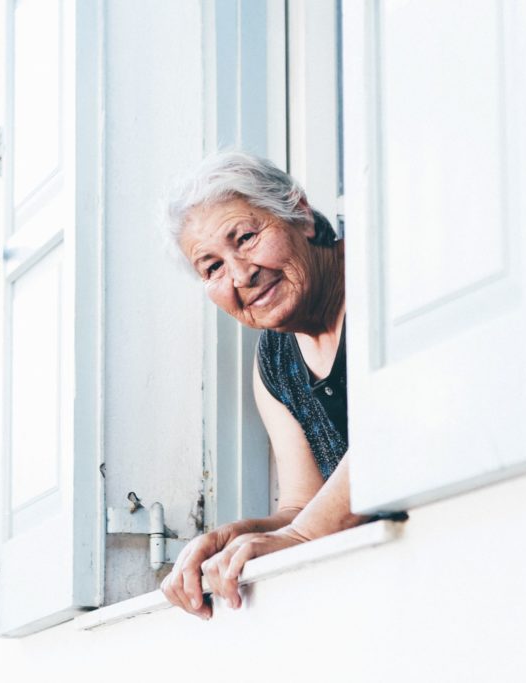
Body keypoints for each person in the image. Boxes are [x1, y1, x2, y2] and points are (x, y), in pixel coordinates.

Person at [160, 151, 366, 619]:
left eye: (247, 237)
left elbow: (403, 421)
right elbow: (303, 506)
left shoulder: (383, 278)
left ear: (301, 215)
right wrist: (225, 541)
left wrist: (300, 537)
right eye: (212, 267)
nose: (240, 275)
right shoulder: (275, 362)